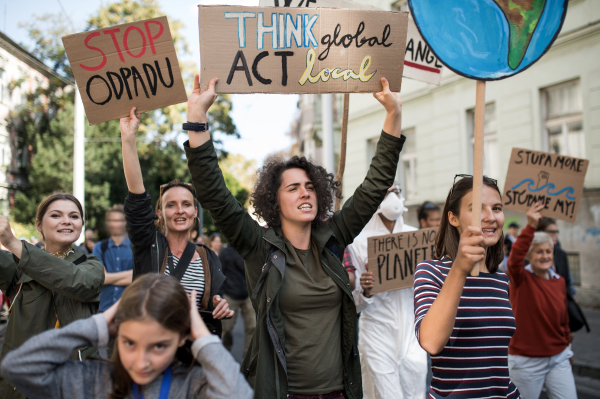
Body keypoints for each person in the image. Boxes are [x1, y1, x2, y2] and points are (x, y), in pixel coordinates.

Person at [183, 74, 405, 399]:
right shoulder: (258, 246)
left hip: (340, 392)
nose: (305, 192)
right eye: (293, 187)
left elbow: (375, 186)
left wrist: (393, 114)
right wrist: (198, 120)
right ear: (275, 201)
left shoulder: (334, 237)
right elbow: (215, 195)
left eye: (310, 186)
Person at [1, 273, 254, 399]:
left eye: (158, 347)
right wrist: (96, 325)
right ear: (115, 333)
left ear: (182, 338)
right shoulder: (94, 381)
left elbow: (239, 395)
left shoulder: (195, 385)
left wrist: (201, 336)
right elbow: (17, 367)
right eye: (129, 342)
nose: (140, 361)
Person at [120, 109, 233, 338]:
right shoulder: (149, 244)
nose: (179, 210)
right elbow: (137, 196)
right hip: (151, 347)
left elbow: (212, 301)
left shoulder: (207, 256)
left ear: (194, 213)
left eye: (186, 204)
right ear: (159, 214)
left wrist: (219, 304)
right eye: (171, 205)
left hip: (192, 353)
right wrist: (128, 138)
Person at [413, 176, 520, 398]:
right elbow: (431, 342)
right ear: (453, 218)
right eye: (478, 208)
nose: (491, 217)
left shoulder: (500, 278)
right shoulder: (430, 272)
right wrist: (460, 269)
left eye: (497, 208)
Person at [0, 192, 105, 399]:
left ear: (81, 225)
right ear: (39, 225)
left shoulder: (92, 266)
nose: (67, 221)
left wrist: (13, 243)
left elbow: (75, 281)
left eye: (74, 217)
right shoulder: (17, 265)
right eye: (56, 215)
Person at [349, 184, 427, 399]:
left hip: (412, 336)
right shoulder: (359, 242)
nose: (393, 196)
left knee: (415, 392)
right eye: (385, 192)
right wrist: (366, 291)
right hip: (377, 334)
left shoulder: (416, 239)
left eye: (396, 190)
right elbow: (354, 303)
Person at [507, 203, 576, 399]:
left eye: (548, 251)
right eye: (539, 252)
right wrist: (530, 226)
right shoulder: (521, 278)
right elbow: (514, 259)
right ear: (529, 255)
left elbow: (563, 319)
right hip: (526, 361)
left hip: (558, 357)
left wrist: (567, 347)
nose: (545, 256)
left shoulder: (559, 281)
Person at [93, 204, 133, 312]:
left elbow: (139, 277)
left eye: (120, 220)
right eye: (112, 220)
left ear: (126, 222)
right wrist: (129, 275)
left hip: (129, 308)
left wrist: (108, 277)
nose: (116, 224)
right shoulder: (100, 247)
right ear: (107, 223)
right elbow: (99, 278)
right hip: (103, 308)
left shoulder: (136, 247)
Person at [219, 245, 256, 357]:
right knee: (226, 329)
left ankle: (247, 360)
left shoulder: (247, 251)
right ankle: (224, 354)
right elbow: (220, 272)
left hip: (247, 294)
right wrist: (221, 294)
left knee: (253, 327)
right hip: (230, 294)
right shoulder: (225, 252)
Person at [537, 217, 576, 297]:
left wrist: (571, 296)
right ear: (540, 233)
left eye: (556, 231)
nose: (556, 235)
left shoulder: (561, 254)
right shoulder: (530, 255)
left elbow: (568, 281)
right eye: (551, 232)